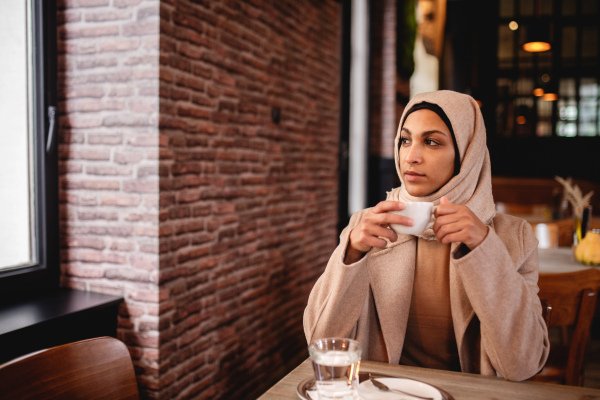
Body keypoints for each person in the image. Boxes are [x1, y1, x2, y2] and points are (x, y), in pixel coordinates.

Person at [303, 90, 549, 381]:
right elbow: (322, 343)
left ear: (466, 155)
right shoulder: (369, 225)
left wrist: (484, 248)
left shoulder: (512, 237)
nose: (411, 156)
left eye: (431, 142)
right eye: (405, 140)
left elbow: (522, 364)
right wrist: (352, 253)